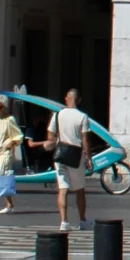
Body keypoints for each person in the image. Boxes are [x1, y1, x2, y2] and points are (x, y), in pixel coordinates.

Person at [51, 88, 93, 230]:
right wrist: (89, 158)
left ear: (66, 99)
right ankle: (82, 220)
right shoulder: (82, 117)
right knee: (80, 189)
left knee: (63, 188)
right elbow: (85, 139)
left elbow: (50, 136)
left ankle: (64, 221)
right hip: (76, 156)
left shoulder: (57, 115)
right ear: (79, 100)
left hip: (60, 155)